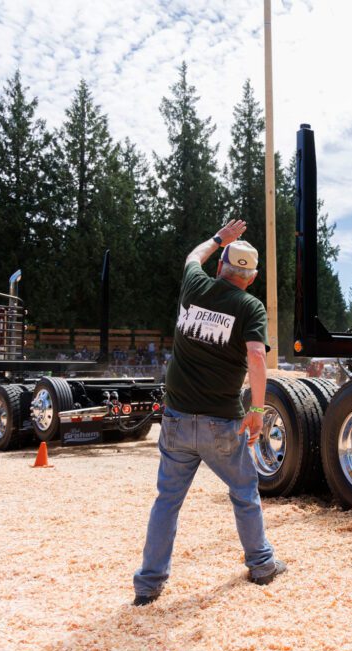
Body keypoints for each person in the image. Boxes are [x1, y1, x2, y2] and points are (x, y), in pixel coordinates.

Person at [133, 219, 285, 607]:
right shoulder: (250, 306)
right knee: (244, 492)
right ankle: (262, 565)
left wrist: (219, 238)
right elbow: (255, 354)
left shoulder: (195, 284)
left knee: (167, 500)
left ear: (222, 267)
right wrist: (256, 408)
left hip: (177, 418)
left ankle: (148, 585)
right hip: (222, 422)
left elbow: (192, 256)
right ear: (250, 278)